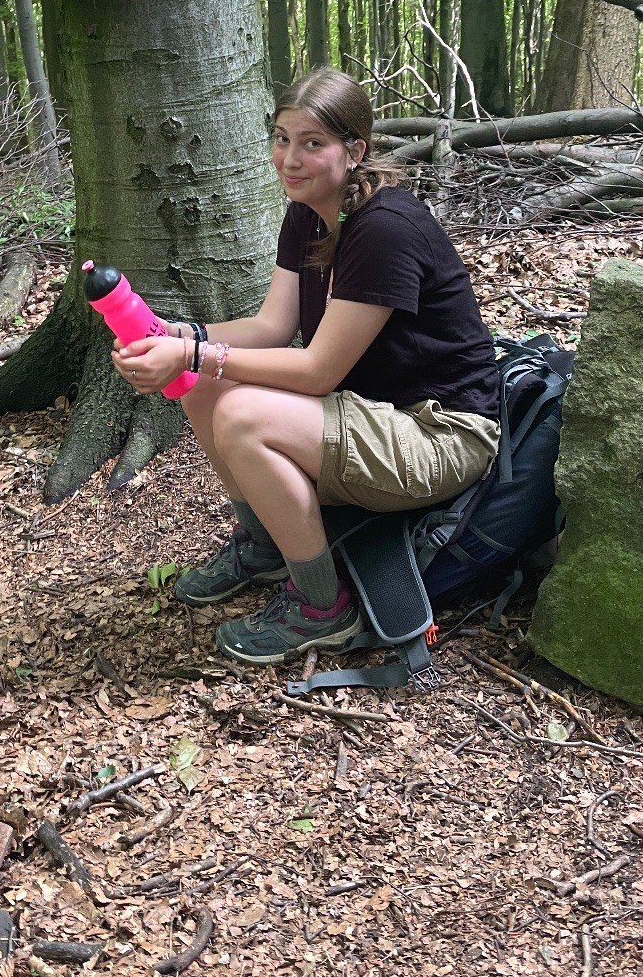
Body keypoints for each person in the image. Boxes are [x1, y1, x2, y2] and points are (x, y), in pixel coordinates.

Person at [111, 67, 500, 666]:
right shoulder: (308, 214)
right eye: (282, 138)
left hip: (440, 432)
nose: (290, 159)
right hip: (373, 411)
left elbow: (318, 371)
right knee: (202, 388)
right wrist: (179, 338)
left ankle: (322, 607)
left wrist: (191, 354)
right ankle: (265, 546)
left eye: (312, 143)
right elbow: (271, 327)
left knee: (240, 412)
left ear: (355, 151)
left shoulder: (385, 229)